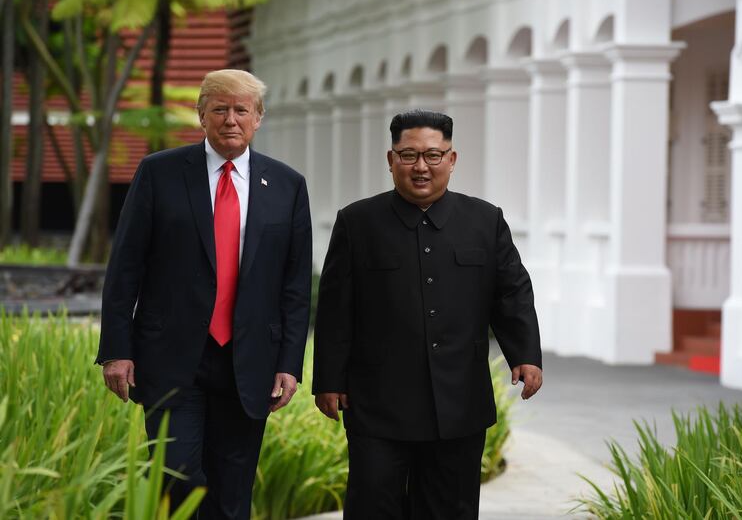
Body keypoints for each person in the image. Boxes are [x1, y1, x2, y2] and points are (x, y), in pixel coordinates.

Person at [97, 69, 312, 518]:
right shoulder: (160, 173)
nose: (230, 119)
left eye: (241, 110)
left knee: (232, 491)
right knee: (176, 477)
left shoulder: (288, 185)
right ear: (201, 115)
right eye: (219, 109)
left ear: (258, 118)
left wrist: (290, 364)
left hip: (249, 361)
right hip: (172, 358)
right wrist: (116, 349)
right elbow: (125, 269)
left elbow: (294, 286)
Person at [313, 109, 543, 519]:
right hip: (377, 403)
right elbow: (335, 308)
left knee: (449, 511)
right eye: (409, 155)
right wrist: (329, 379)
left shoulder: (485, 220)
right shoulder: (357, 222)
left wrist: (525, 355)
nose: (421, 167)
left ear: (451, 160)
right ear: (391, 160)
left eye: (434, 156)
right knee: (372, 508)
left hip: (458, 402)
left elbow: (512, 293)